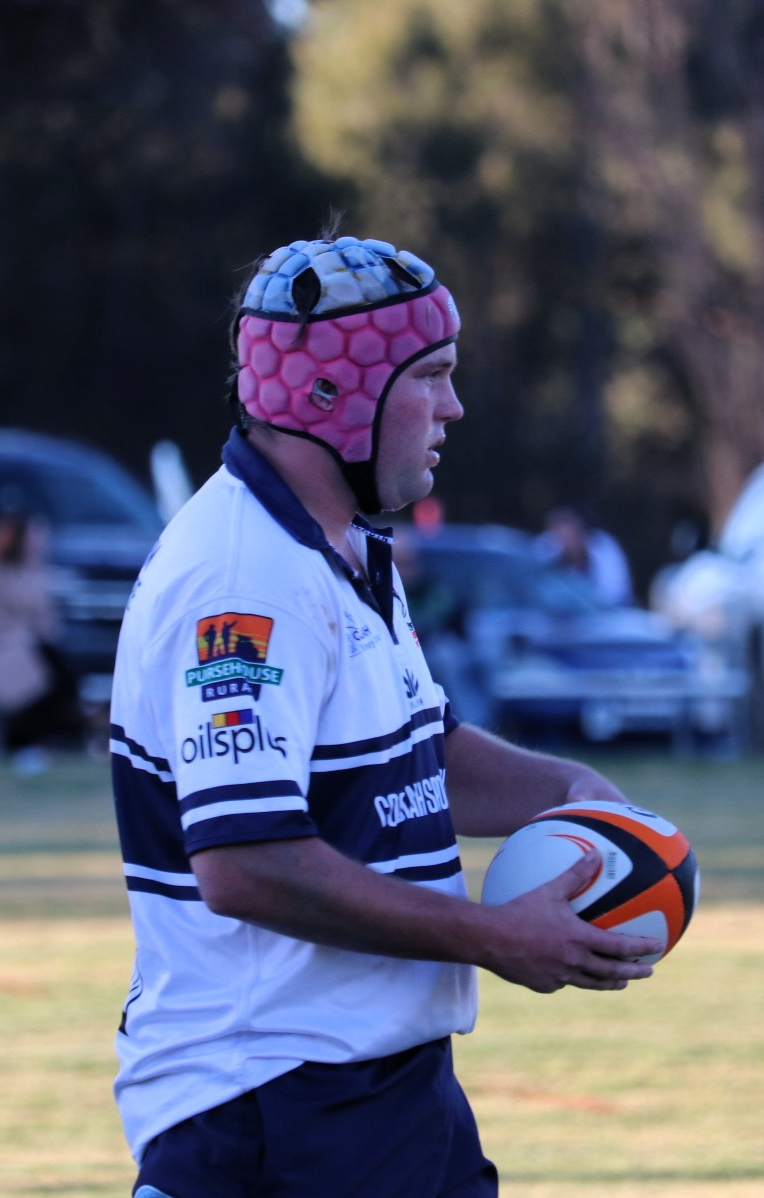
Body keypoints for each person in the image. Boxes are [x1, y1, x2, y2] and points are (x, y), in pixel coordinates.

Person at [110, 232, 661, 1198]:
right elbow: (245, 863)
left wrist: (570, 790)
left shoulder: (343, 547)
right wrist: (491, 934)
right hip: (276, 1099)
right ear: (334, 392)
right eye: (432, 376)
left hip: (385, 1084)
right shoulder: (243, 580)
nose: (454, 407)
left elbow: (419, 756)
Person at [0, 492, 83, 769]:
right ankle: (27, 741)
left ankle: (59, 738)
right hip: (12, 648)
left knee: (57, 673)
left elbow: (43, 615)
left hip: (34, 645)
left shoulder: (29, 569)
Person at [536, 504, 634, 606]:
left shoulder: (602, 546)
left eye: (568, 532)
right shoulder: (548, 557)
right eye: (557, 533)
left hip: (612, 610)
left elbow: (616, 594)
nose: (564, 538)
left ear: (580, 532)